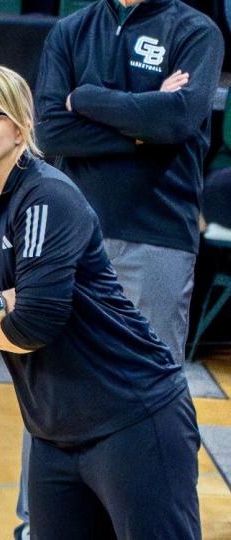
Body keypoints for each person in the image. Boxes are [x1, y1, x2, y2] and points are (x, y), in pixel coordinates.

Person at [0, 64, 199, 539]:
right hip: (52, 436)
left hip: (135, 417)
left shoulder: (46, 196)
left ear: (20, 126)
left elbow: (36, 325)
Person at [29, 2, 221, 535]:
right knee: (51, 384)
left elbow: (179, 119)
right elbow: (50, 132)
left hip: (156, 233)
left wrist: (86, 99)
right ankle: (39, 520)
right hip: (70, 232)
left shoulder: (196, 31)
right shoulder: (70, 31)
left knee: (151, 394)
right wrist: (141, 125)